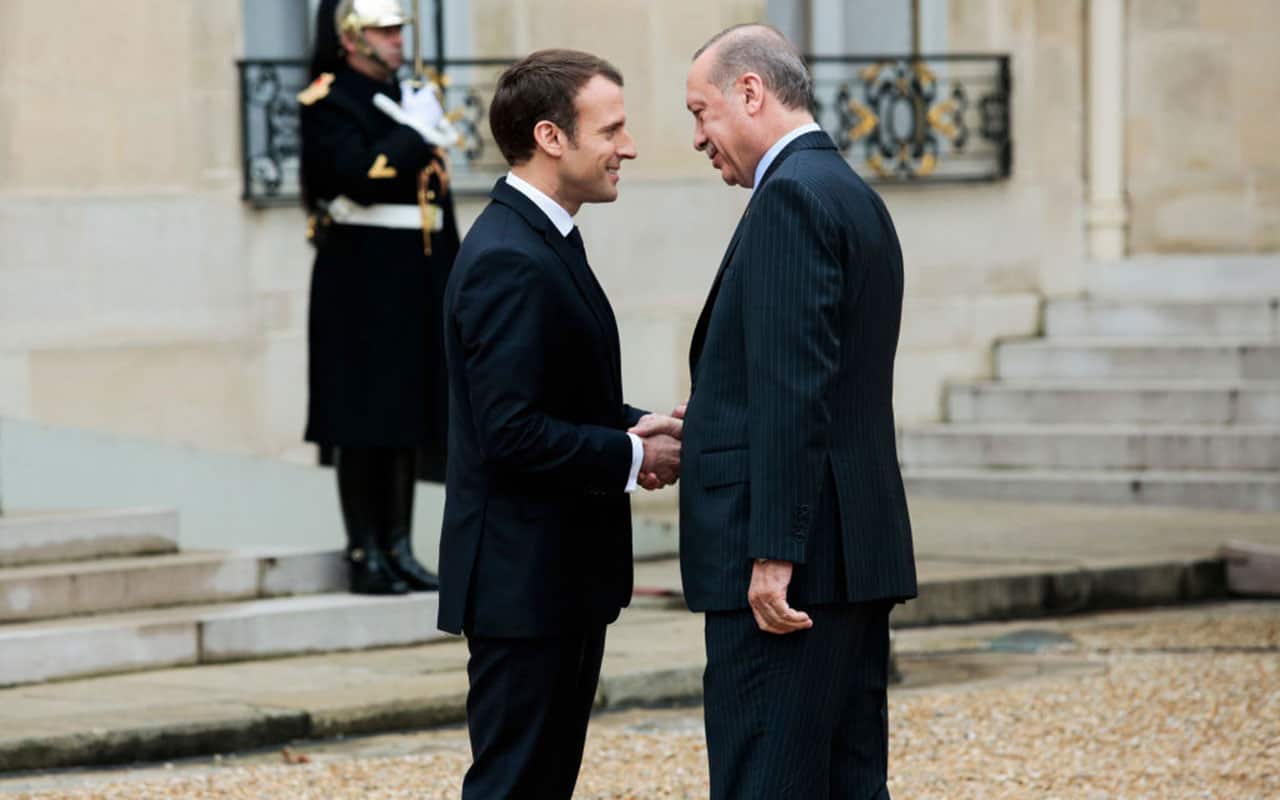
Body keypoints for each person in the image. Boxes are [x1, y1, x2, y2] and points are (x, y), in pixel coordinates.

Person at [671, 23, 918, 798]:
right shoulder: (849, 191)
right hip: (850, 554)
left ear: (750, 92)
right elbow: (814, 376)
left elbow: (794, 386)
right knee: (848, 783)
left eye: (701, 112)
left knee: (766, 782)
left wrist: (774, 551)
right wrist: (705, 423)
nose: (698, 138)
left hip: (793, 573)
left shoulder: (790, 197)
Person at [436, 49, 682, 799]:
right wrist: (630, 458)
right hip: (524, 584)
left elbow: (558, 397)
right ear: (550, 137)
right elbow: (510, 432)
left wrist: (641, 425)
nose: (627, 147)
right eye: (610, 130)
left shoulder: (542, 238)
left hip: (556, 578)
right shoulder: (508, 256)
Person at [298, 0, 460, 594]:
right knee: (362, 418)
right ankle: (364, 552)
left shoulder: (408, 96)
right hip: (360, 280)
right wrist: (413, 134)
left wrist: (452, 271)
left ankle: (399, 547)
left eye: (397, 30)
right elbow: (359, 175)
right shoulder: (328, 100)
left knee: (408, 416)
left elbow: (435, 201)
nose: (396, 40)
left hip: (415, 275)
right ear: (351, 38)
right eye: (383, 31)